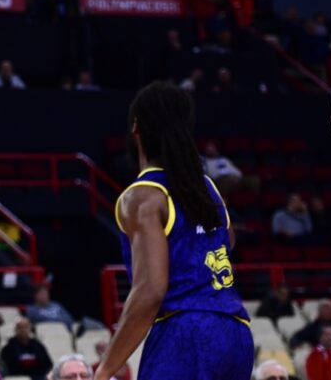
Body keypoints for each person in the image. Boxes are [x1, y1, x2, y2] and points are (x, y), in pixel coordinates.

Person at [94, 82, 253, 380]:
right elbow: (227, 240)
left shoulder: (142, 195)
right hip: (235, 331)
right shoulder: (207, 187)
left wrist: (104, 370)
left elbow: (151, 290)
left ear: (136, 126)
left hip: (185, 332)